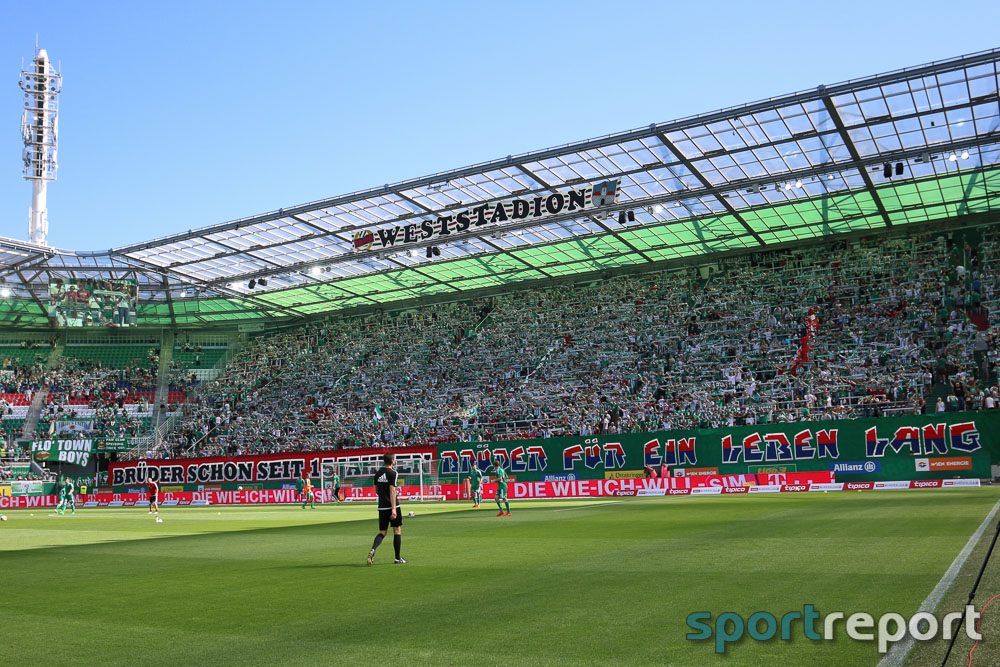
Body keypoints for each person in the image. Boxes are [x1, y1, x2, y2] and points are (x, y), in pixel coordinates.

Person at [368, 451, 405, 565]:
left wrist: (383, 498)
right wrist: (393, 509)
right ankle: (397, 558)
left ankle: (373, 549)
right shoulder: (393, 473)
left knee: (382, 532)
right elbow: (392, 490)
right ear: (392, 460)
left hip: (382, 507)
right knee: (397, 530)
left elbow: (376, 490)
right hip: (393, 506)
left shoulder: (378, 473)